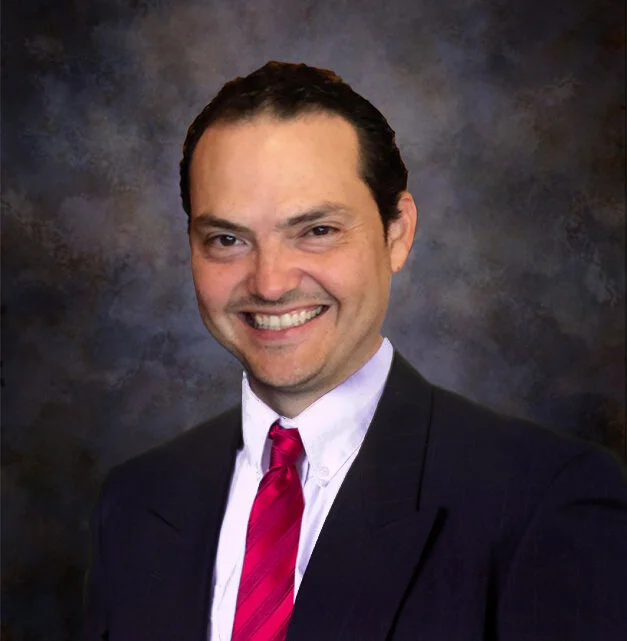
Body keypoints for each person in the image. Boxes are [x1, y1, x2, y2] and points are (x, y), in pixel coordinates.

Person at [84, 61, 627, 641]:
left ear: (398, 233)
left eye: (316, 231)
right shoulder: (136, 501)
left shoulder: (545, 500)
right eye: (228, 239)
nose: (270, 283)